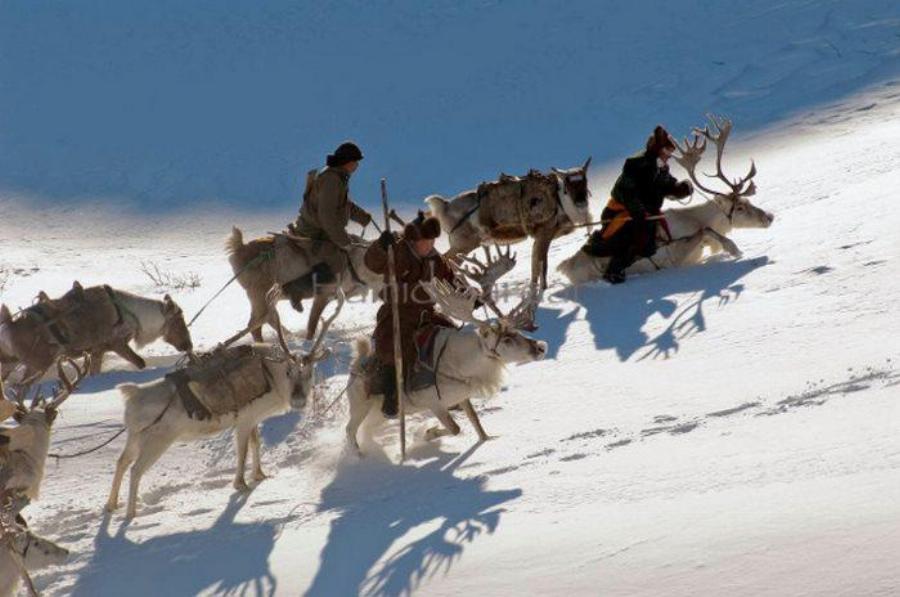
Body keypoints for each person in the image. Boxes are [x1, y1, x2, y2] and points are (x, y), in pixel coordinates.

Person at [364, 212, 456, 417]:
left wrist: (467, 296)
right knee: (394, 348)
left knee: (451, 334)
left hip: (426, 312)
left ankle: (449, 387)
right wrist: (380, 246)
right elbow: (371, 263)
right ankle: (391, 392)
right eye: (426, 241)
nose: (430, 245)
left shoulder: (434, 258)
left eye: (433, 240)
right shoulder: (397, 251)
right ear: (414, 240)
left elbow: (449, 277)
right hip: (398, 311)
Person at [582, 126, 693, 284]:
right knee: (632, 238)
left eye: (670, 152)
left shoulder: (661, 167)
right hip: (623, 212)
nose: (669, 156)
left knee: (648, 245)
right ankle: (613, 271)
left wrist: (679, 189)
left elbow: (666, 185)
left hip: (645, 214)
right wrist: (638, 211)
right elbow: (625, 191)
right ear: (657, 149)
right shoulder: (636, 164)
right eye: (667, 151)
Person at [283, 141, 374, 309]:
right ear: (348, 162)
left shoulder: (337, 176)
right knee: (337, 260)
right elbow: (327, 216)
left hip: (322, 228)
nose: (358, 165)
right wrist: (342, 241)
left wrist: (363, 217)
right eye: (356, 161)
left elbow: (344, 204)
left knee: (355, 247)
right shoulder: (332, 179)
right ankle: (296, 289)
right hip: (314, 231)